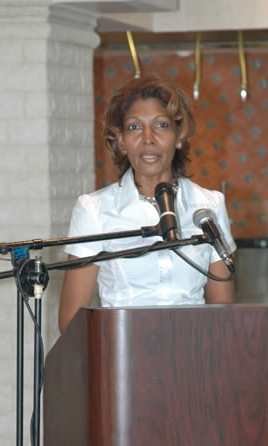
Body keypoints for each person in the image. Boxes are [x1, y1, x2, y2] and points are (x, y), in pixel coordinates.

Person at [59, 75, 236, 333]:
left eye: (161, 125)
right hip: (122, 360)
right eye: (134, 127)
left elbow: (223, 312)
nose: (148, 138)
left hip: (195, 358)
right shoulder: (94, 210)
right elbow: (71, 321)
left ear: (179, 136)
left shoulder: (209, 206)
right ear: (120, 141)